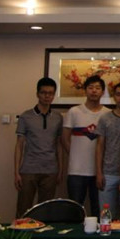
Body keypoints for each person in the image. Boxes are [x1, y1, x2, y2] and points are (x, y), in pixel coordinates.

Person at [14, 77, 64, 217]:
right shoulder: (25, 116)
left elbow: (59, 145)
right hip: (28, 169)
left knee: (46, 211)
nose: (47, 96)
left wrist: (60, 169)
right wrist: (16, 172)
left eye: (50, 93)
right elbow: (19, 145)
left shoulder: (58, 117)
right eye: (43, 92)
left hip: (50, 170)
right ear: (37, 94)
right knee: (23, 209)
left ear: (54, 95)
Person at [62, 75, 110, 216]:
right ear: (85, 90)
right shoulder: (74, 112)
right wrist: (75, 155)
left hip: (99, 171)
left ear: (102, 92)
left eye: (97, 88)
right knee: (75, 210)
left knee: (98, 210)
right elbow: (64, 138)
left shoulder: (107, 114)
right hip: (76, 171)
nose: (94, 91)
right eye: (90, 87)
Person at [95, 82, 120, 219]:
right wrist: (99, 172)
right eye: (118, 94)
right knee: (106, 216)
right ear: (114, 97)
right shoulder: (105, 118)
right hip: (108, 173)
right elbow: (99, 146)